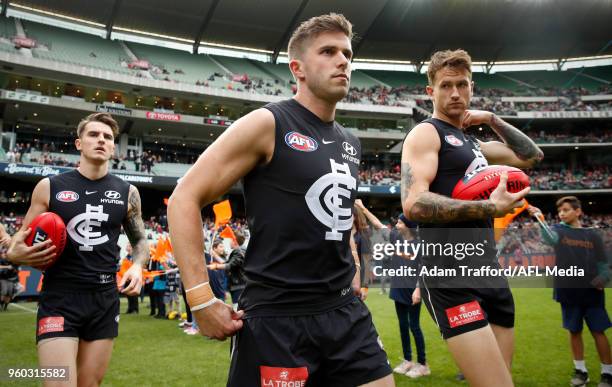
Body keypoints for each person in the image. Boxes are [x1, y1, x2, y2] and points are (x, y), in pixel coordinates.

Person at [168, 13, 393, 386]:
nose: (342, 61)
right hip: (278, 322)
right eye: (328, 51)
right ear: (297, 68)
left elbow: (339, 211)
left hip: (345, 314)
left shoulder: (351, 144)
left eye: (347, 54)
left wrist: (352, 261)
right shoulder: (268, 123)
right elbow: (183, 199)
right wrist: (201, 298)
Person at [400, 49, 543, 387]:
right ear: (430, 91)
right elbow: (413, 203)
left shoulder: (474, 143)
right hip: (450, 274)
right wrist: (488, 209)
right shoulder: (426, 134)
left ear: (471, 87)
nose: (454, 93)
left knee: (502, 379)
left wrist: (492, 119)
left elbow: (531, 156)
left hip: (488, 270)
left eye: (462, 85)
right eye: (446, 85)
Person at [6, 112, 149, 387]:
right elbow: (17, 244)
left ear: (113, 148)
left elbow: (141, 241)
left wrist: (137, 265)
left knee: (88, 384)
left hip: (104, 299)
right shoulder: (49, 187)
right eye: (94, 135)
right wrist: (16, 254)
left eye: (108, 137)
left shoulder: (128, 192)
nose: (101, 140)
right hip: (61, 295)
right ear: (78, 144)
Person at [528, 197, 611, 387]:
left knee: (599, 331)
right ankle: (580, 371)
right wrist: (540, 219)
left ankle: (608, 373)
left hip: (592, 291)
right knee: (574, 331)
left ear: (578, 211)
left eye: (566, 210)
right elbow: (549, 238)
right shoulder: (558, 230)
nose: (562, 213)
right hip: (568, 290)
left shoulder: (592, 235)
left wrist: (603, 277)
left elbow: (603, 264)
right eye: (560, 211)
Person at [389, 215, 428, 378]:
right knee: (403, 325)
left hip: (413, 290)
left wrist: (418, 290)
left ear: (408, 226)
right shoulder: (396, 237)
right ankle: (407, 360)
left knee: (414, 326)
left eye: (400, 222)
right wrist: (363, 208)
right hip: (398, 288)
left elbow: (424, 269)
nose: (396, 224)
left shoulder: (420, 245)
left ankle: (423, 364)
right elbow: (378, 225)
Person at [208, 231, 247, 307]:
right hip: (238, 286)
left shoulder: (238, 251)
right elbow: (226, 263)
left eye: (230, 240)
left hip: (238, 287)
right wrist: (215, 255)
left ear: (234, 241)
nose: (229, 242)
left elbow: (230, 265)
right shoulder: (238, 251)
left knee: (237, 308)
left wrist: (216, 266)